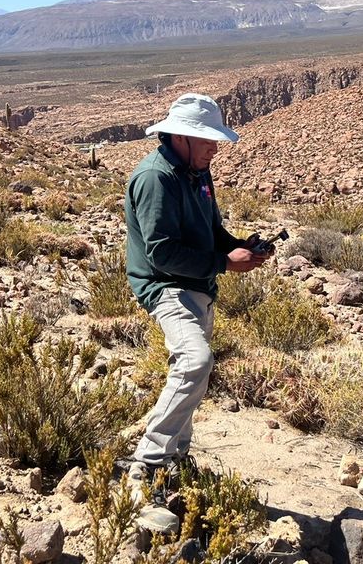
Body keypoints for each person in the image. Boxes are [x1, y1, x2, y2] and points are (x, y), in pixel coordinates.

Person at [124, 92, 271, 523]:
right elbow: (162, 254)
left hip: (198, 286)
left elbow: (211, 229)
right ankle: (146, 466)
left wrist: (239, 246)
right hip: (166, 286)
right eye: (205, 140)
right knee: (195, 361)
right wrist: (225, 263)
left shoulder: (197, 172)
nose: (214, 147)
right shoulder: (156, 178)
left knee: (196, 370)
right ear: (179, 137)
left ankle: (176, 459)